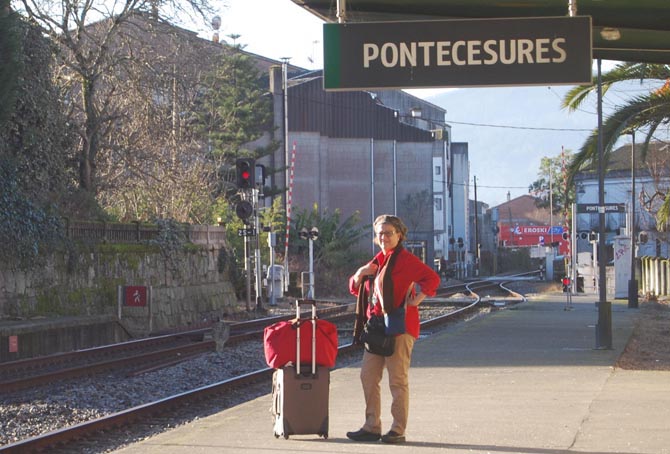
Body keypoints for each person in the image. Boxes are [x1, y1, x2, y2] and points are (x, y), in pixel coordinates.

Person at [346, 214, 440, 444]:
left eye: (389, 232)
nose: (384, 237)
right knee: (368, 376)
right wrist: (359, 274)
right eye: (380, 233)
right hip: (377, 327)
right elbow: (355, 288)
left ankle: (398, 429)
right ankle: (372, 426)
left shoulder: (406, 260)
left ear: (399, 235)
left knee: (397, 380)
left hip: (400, 327)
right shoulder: (378, 260)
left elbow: (432, 278)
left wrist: (418, 298)